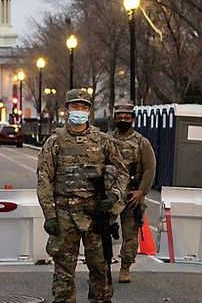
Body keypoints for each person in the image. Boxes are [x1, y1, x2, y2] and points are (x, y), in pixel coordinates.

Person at [37, 89, 127, 303]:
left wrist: (114, 196)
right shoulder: (55, 141)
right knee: (64, 272)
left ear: (89, 110)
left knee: (100, 269)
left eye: (84, 107)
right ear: (67, 109)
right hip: (65, 215)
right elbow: (44, 178)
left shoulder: (103, 140)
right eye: (75, 107)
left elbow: (122, 172)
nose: (79, 111)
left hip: (96, 214)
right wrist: (49, 214)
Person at [110, 102, 156, 284]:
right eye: (120, 117)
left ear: (133, 119)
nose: (123, 120)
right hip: (111, 195)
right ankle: (103, 266)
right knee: (102, 231)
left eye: (127, 117)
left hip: (132, 196)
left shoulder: (141, 143)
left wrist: (141, 191)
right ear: (114, 118)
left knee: (130, 233)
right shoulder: (106, 140)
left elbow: (149, 168)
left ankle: (125, 267)